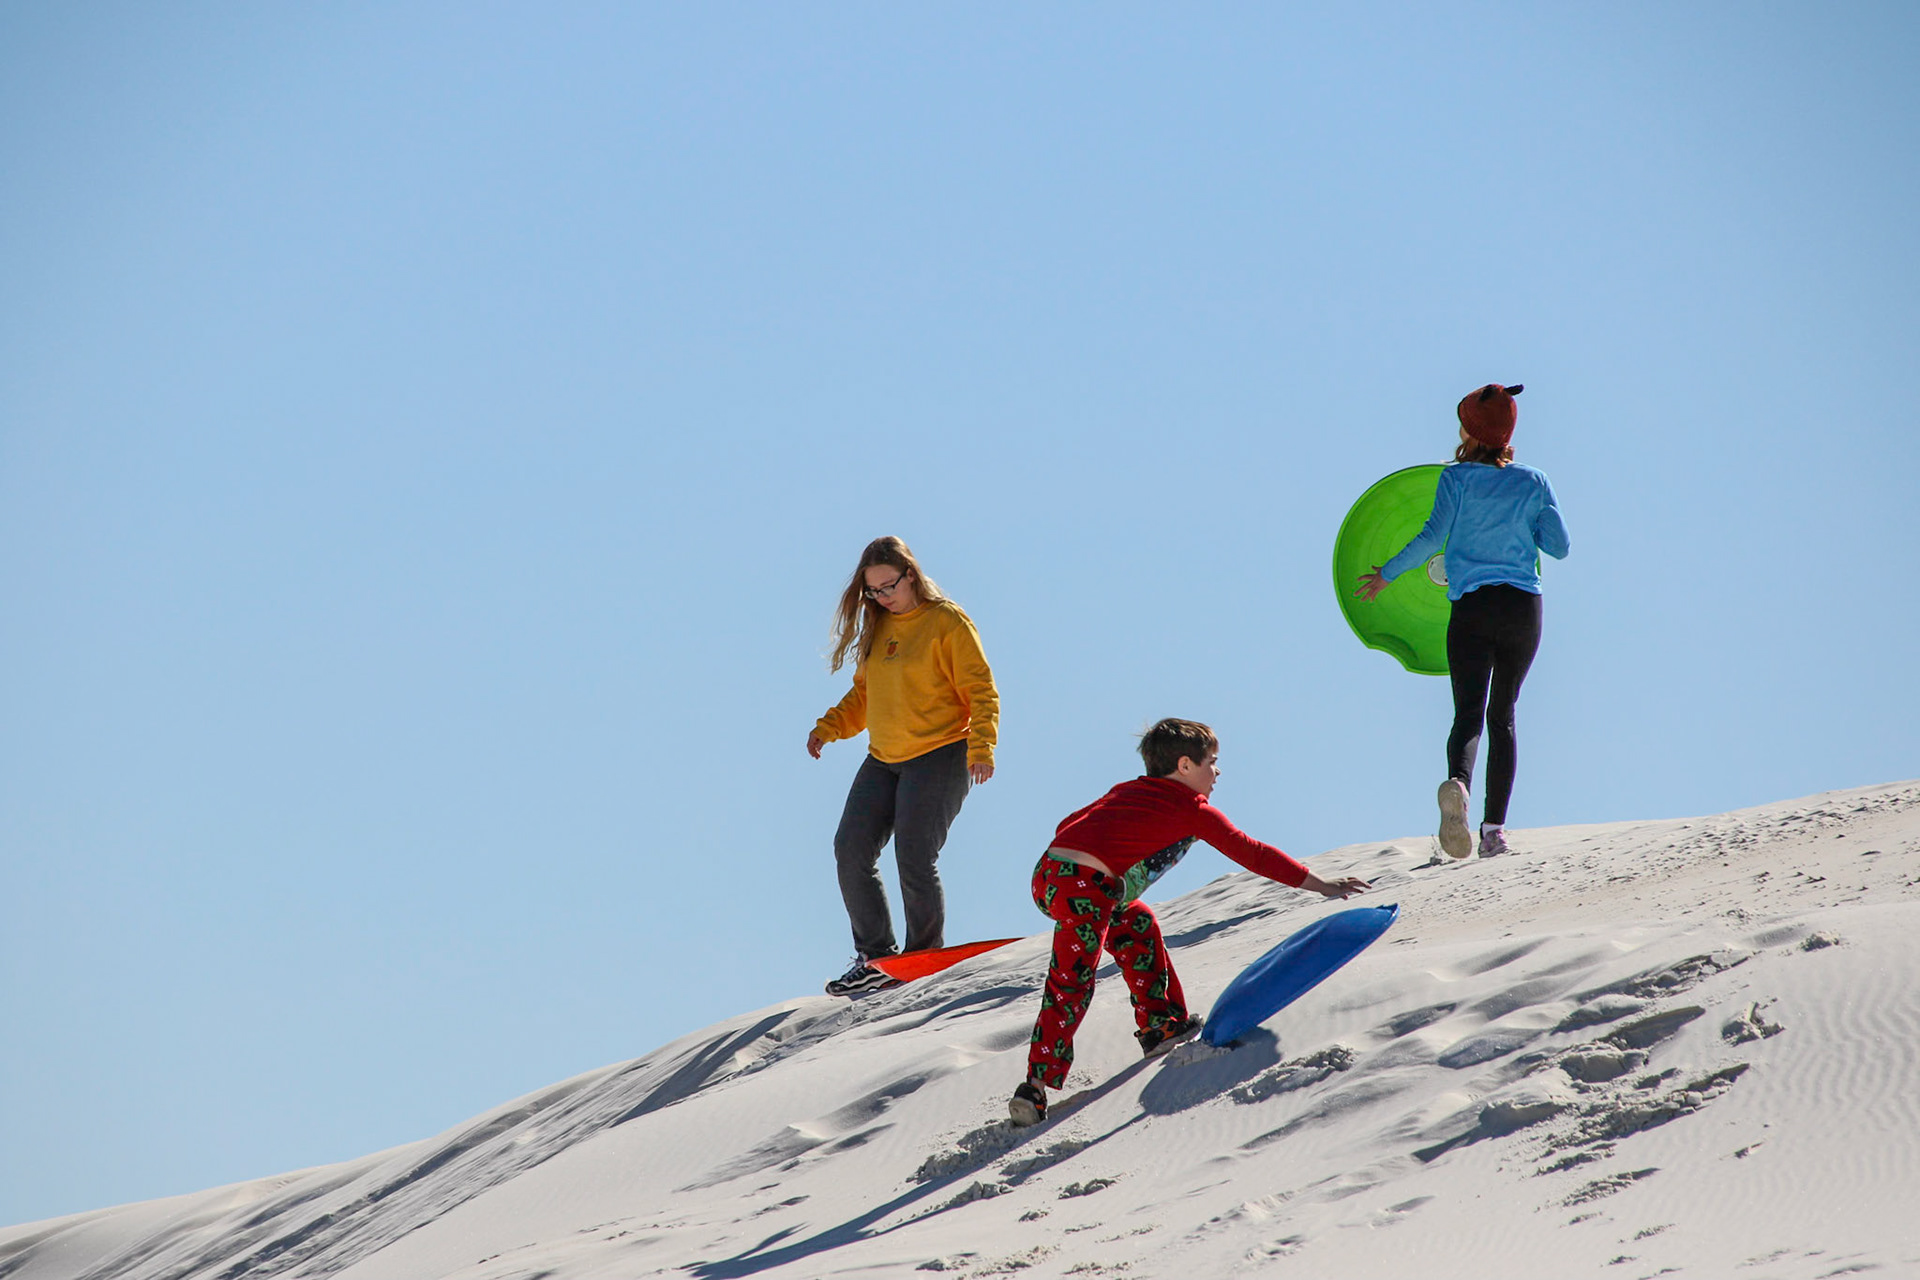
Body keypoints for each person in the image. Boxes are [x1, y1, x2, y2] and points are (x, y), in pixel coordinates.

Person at [1009, 718, 1369, 1127]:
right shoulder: (1191, 808)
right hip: (1084, 886)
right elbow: (1252, 851)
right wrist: (1318, 883)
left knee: (1136, 924)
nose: (1217, 772)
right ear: (1184, 766)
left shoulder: (1130, 790)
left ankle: (1162, 1026)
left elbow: (1073, 822)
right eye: (1211, 762)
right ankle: (1034, 1086)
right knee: (1071, 980)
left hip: (1052, 877)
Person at [1356, 383, 1571, 859]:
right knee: (1504, 715)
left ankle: (1459, 783)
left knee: (1468, 714)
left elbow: (1431, 535)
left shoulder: (1456, 480)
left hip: (1472, 607)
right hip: (1520, 608)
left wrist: (1386, 575)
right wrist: (1530, 521)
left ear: (1470, 431)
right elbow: (1559, 546)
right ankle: (1494, 831)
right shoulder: (1533, 481)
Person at [809, 536, 999, 996]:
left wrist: (981, 747)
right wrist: (828, 727)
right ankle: (876, 957)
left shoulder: (945, 622)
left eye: (888, 586)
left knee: (914, 855)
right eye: (873, 591)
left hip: (940, 754)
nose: (882, 597)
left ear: (910, 575)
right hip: (884, 759)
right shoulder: (879, 629)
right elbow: (865, 695)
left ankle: (924, 956)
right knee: (850, 849)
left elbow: (980, 688)